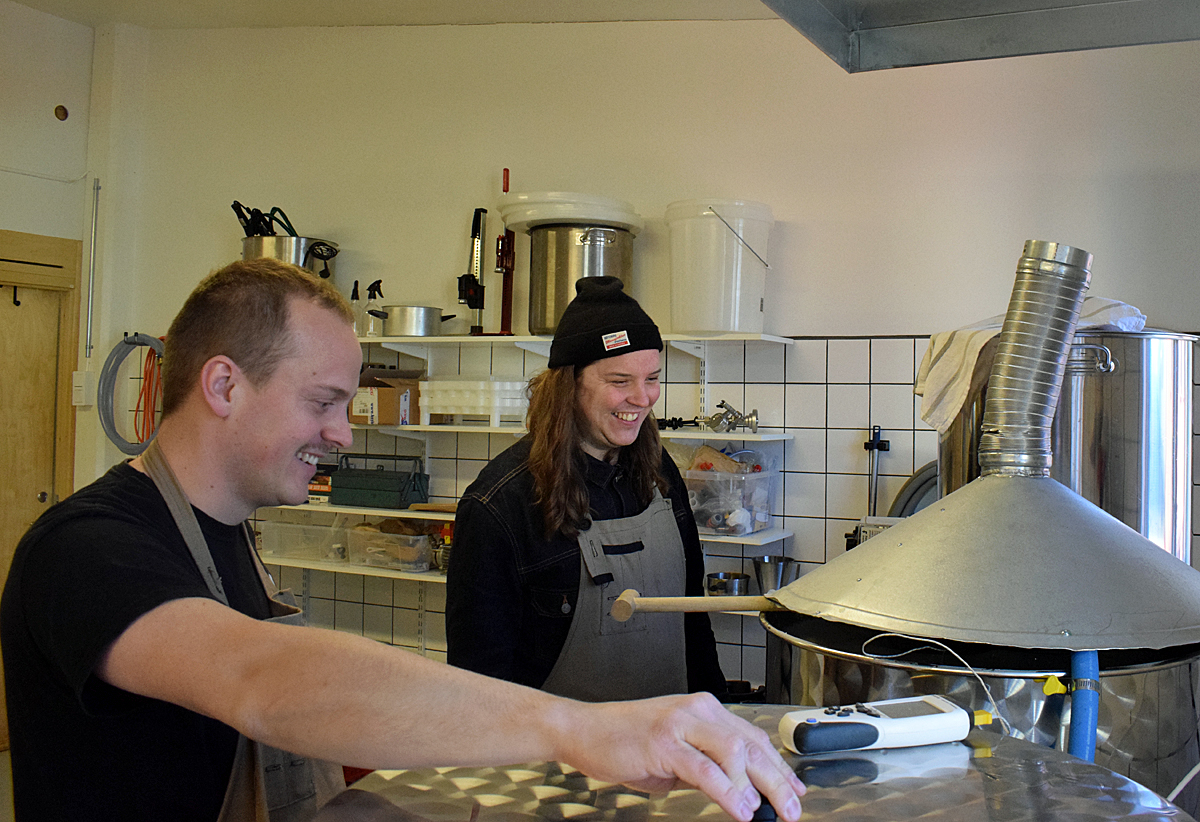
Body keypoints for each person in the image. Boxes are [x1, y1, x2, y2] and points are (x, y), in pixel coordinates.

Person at [1, 259, 805, 822]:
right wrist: (580, 729)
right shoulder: (88, 550)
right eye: (323, 401)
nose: (343, 435)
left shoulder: (229, 536)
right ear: (223, 385)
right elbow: (261, 679)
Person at [447, 276, 724, 701]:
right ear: (570, 385)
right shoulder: (501, 504)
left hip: (670, 734)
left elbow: (693, 619)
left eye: (652, 378)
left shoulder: (658, 474)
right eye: (620, 381)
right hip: (555, 745)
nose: (643, 398)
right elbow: (478, 684)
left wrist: (718, 711)